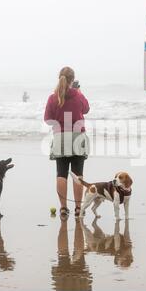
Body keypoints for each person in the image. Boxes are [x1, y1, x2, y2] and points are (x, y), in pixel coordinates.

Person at [44, 67, 90, 218]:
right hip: (77, 136)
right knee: (78, 175)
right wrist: (80, 93)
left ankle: (63, 208)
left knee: (61, 174)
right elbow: (86, 109)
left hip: (60, 137)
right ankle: (78, 208)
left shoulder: (53, 98)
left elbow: (48, 120)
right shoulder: (78, 95)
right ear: (72, 80)